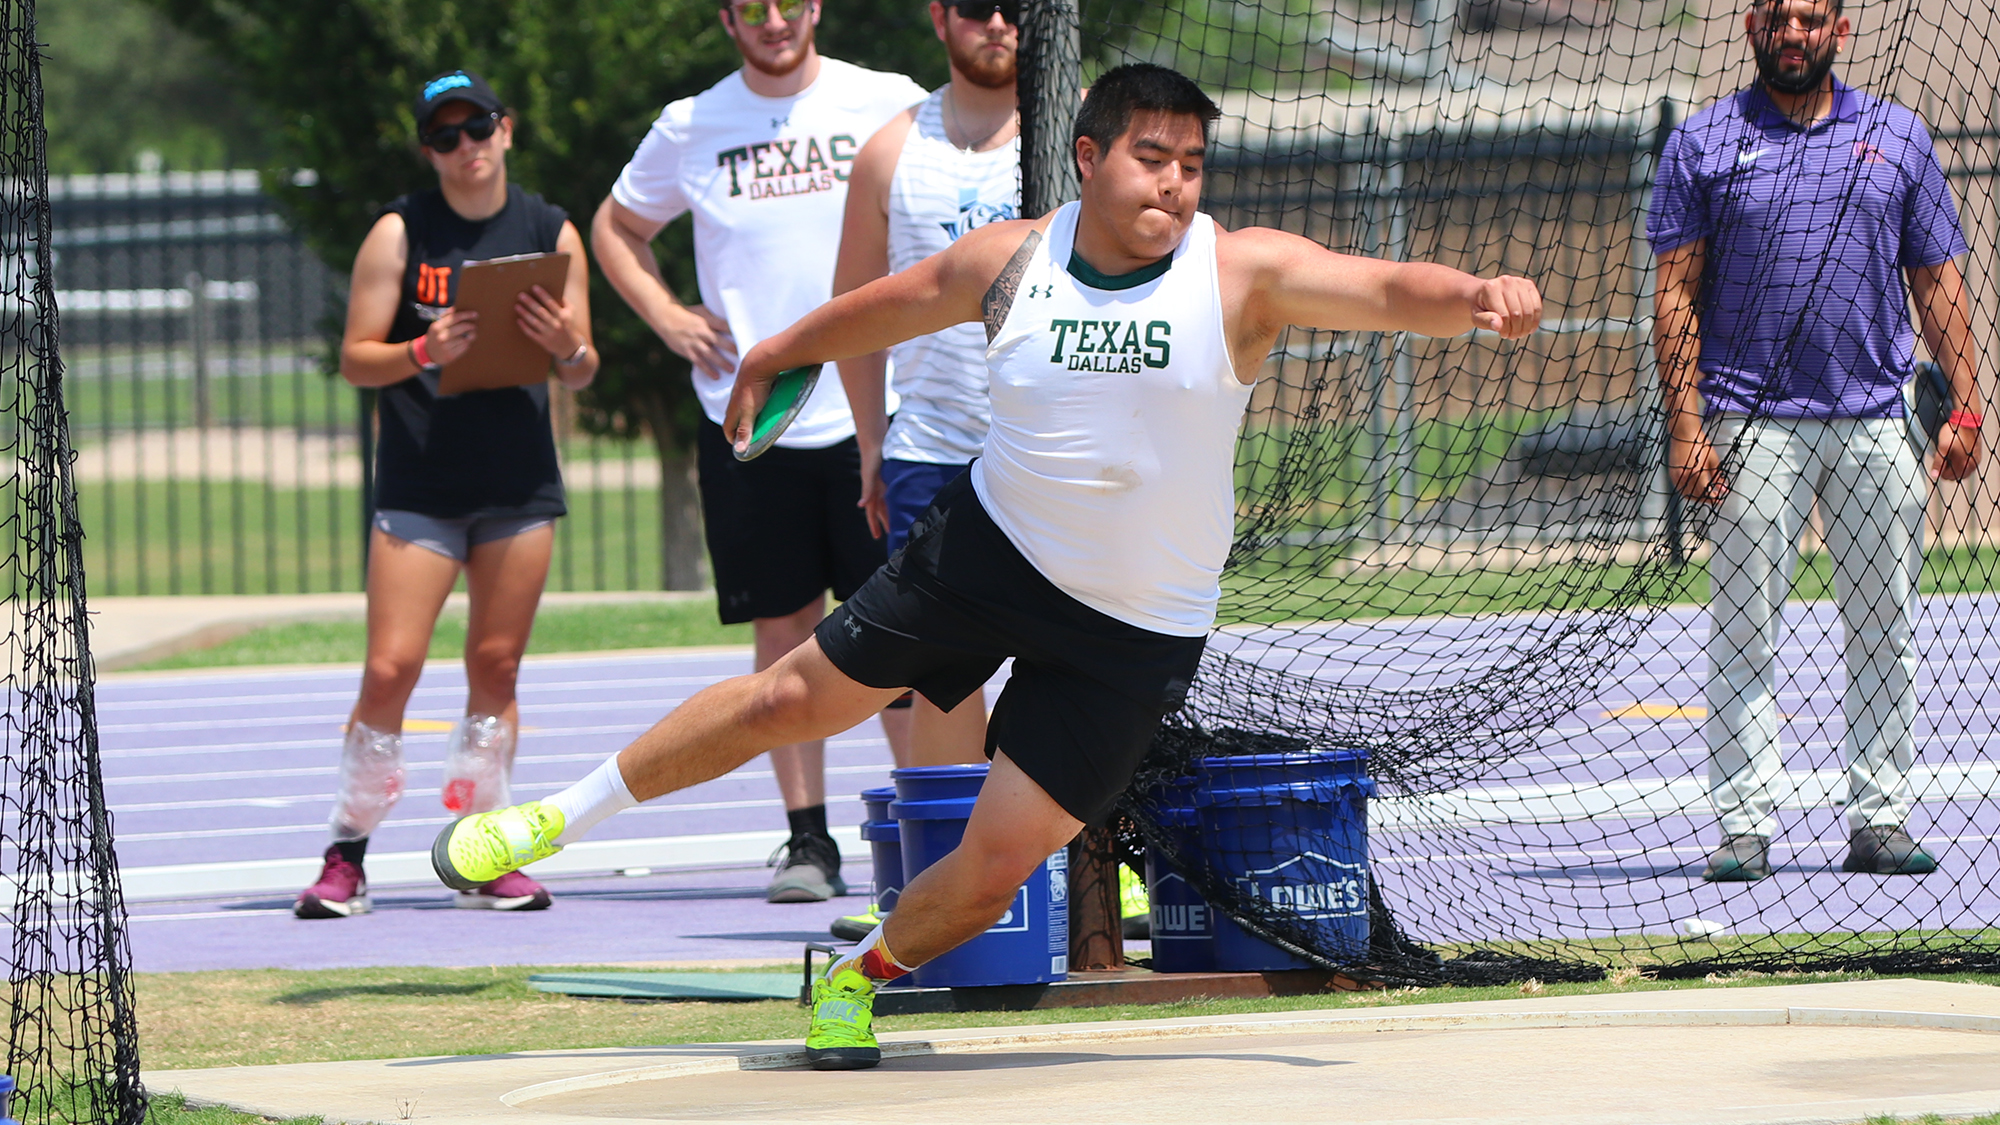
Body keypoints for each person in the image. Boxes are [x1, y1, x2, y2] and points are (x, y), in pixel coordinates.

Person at [432, 63, 1540, 1067]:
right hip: (988, 554)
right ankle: (551, 820)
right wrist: (773, 354)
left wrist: (1474, 294)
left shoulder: (1239, 273)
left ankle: (856, 980)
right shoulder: (1009, 260)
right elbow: (876, 312)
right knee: (786, 698)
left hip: (1137, 628)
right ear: (1089, 157)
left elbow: (1382, 288)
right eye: (1151, 157)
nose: (1173, 184)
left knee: (996, 866)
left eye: (1192, 164)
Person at [590, 0, 927, 904]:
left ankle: (927, 834)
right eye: (751, 8)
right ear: (727, 20)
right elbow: (614, 227)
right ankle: (808, 841)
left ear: (815, 8)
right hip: (753, 419)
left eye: (788, 3)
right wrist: (667, 315)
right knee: (784, 636)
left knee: (903, 639)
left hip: (876, 414)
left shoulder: (889, 100)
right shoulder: (691, 123)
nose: (773, 21)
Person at [1649, 0, 1980, 882]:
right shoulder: (1703, 143)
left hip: (1877, 419)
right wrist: (1686, 426)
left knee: (1884, 626)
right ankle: (1744, 825)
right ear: (1751, 27)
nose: (1792, 33)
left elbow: (1937, 280)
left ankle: (1879, 817)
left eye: (1809, 17)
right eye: (1776, 17)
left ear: (1838, 29)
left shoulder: (1898, 135)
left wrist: (1968, 408)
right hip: (1749, 423)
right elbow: (1674, 293)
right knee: (1745, 631)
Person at [295, 70, 599, 919]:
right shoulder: (401, 231)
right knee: (390, 666)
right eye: (445, 135)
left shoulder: (550, 230)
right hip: (422, 480)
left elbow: (583, 367)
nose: (466, 147)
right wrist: (424, 351)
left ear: (507, 129)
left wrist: (566, 343)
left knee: (496, 664)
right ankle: (345, 853)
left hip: (517, 480)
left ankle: (486, 850)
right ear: (428, 149)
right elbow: (356, 359)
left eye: (478, 128)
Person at [822, 0, 1021, 941]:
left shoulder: (1082, 136)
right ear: (940, 16)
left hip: (1053, 451)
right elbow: (856, 306)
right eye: (976, 5)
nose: (998, 20)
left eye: (1016, 6)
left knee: (1078, 662)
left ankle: (1095, 872)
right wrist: (872, 441)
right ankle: (942, 892)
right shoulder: (890, 150)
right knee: (941, 675)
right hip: (932, 447)